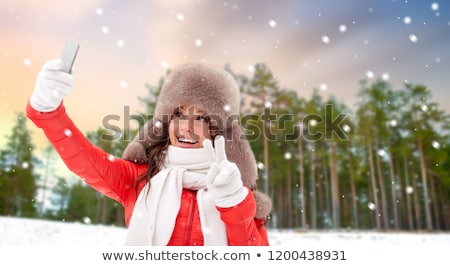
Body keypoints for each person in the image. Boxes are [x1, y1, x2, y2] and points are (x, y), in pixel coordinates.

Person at [26, 58, 272, 246]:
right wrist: (47, 111)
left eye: (201, 117)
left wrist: (233, 203)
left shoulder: (238, 194)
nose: (185, 126)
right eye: (178, 114)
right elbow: (85, 160)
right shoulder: (140, 179)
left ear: (218, 130)